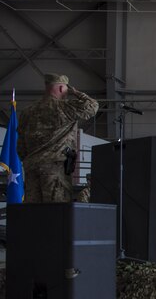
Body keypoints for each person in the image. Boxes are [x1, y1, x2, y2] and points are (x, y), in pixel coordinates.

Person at [18, 73, 99, 203]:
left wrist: (29, 159)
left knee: (33, 211)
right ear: (62, 88)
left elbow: (20, 144)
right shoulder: (64, 107)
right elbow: (92, 106)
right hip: (55, 168)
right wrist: (78, 93)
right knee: (56, 211)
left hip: (31, 167)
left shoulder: (28, 111)